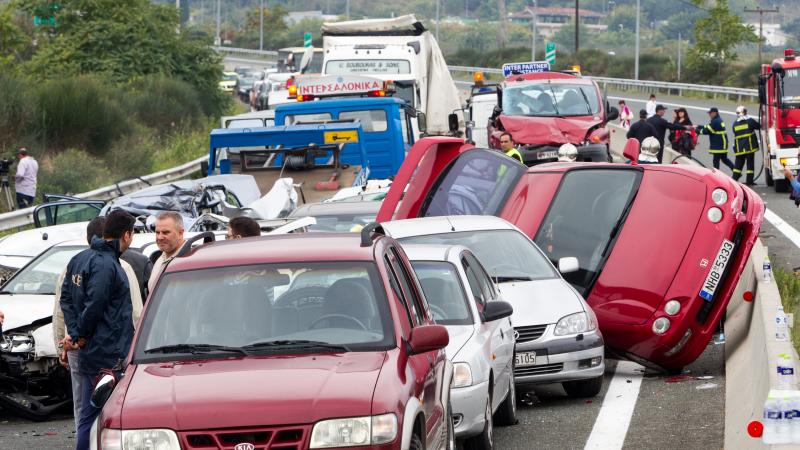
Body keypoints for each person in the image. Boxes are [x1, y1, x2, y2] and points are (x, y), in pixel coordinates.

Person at [52, 217, 143, 434]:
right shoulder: (115, 266)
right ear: (126, 235)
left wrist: (71, 337)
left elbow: (62, 303)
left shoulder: (75, 261)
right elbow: (131, 312)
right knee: (103, 415)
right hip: (106, 351)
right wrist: (79, 335)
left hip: (80, 348)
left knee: (84, 411)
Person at [148, 211, 186, 294]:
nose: (160, 237)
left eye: (166, 232)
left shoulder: (190, 260)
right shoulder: (160, 260)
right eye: (157, 232)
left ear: (180, 233)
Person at [697, 107, 735, 172]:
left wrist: (696, 131)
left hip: (719, 145)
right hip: (722, 143)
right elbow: (708, 126)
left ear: (715, 113)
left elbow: (707, 131)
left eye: (710, 113)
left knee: (716, 160)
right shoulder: (717, 120)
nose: (709, 115)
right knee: (724, 159)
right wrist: (699, 126)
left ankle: (716, 175)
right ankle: (736, 172)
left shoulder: (716, 121)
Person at [731, 106, 761, 185]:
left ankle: (733, 180)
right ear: (744, 112)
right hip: (749, 147)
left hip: (739, 149)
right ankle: (749, 181)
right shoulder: (750, 121)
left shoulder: (735, 123)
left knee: (738, 165)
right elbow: (758, 126)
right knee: (750, 165)